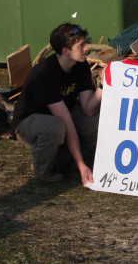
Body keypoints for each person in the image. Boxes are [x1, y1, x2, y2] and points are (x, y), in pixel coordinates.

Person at [12, 23, 102, 185]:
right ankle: (43, 170)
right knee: (57, 127)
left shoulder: (80, 65)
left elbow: (88, 109)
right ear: (66, 51)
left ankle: (77, 154)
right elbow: (66, 122)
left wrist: (104, 86)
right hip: (30, 121)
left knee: (95, 120)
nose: (86, 48)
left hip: (63, 115)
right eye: (81, 45)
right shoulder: (45, 73)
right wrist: (81, 165)